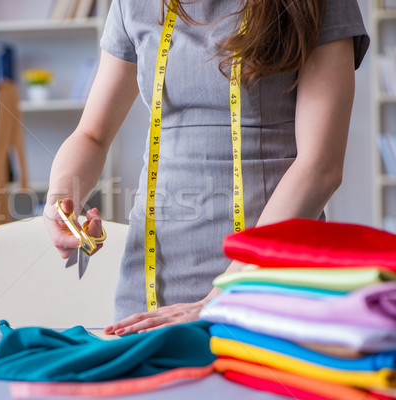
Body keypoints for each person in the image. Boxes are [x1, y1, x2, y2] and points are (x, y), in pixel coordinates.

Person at [44, 0, 369, 336]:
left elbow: (321, 166)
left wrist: (219, 298)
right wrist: (62, 200)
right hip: (150, 291)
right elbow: (92, 135)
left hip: (268, 283)